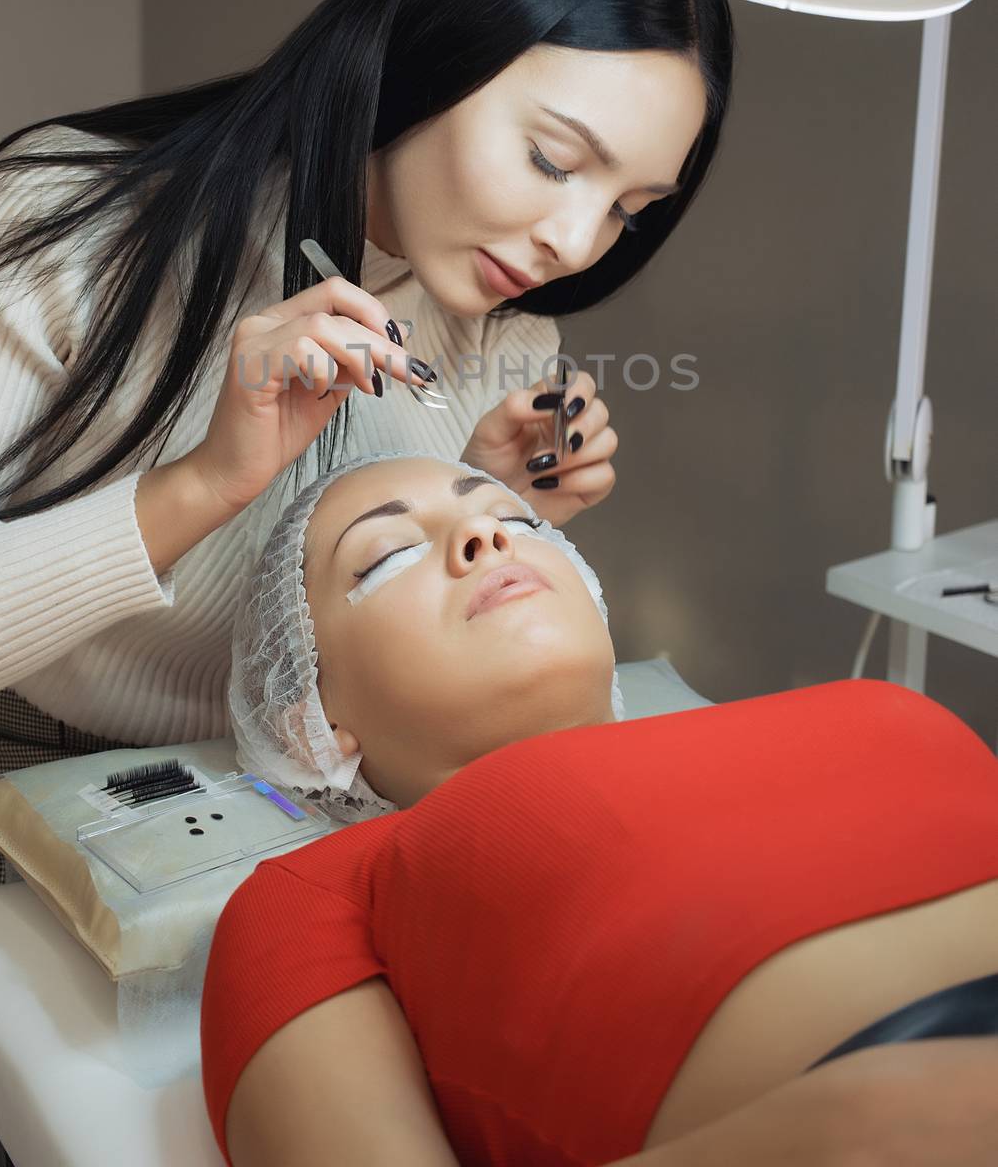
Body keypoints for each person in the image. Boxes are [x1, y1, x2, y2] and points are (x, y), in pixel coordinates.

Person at [0, 0, 733, 1167]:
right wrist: (203, 484)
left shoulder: (498, 322)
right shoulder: (73, 222)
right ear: (424, 47)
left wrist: (492, 487)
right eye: (551, 158)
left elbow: (351, 603)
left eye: (629, 209)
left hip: (287, 797)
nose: (574, 237)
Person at [201, 451, 998, 1167]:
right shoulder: (326, 887)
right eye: (387, 556)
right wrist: (861, 1125)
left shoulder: (759, 717)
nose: (487, 535)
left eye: (513, 517)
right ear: (310, 714)